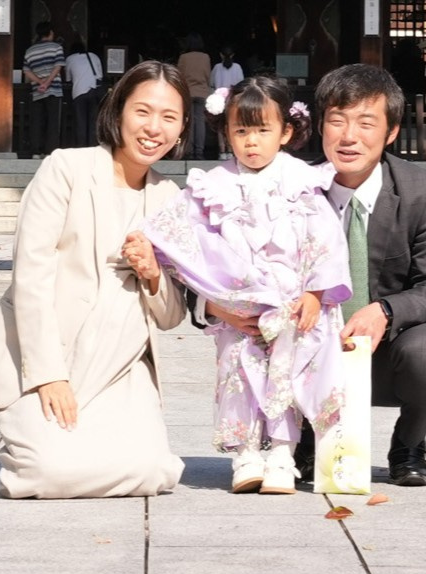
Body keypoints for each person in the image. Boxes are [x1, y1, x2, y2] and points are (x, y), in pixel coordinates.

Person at [203, 63, 426, 488]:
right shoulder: (288, 182)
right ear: (318, 125)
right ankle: (299, 442)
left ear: (391, 132)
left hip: (385, 347)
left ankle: (409, 442)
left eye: (366, 123)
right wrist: (213, 304)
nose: (349, 136)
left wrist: (384, 311)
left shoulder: (424, 192)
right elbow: (209, 254)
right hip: (299, 342)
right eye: (337, 120)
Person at [0, 61, 191, 498]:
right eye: (142, 111)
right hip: (49, 356)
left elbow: (173, 315)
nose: (153, 128)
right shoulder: (67, 168)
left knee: (153, 470)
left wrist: (153, 274)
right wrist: (48, 375)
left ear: (181, 129)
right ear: (117, 110)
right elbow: (31, 276)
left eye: (169, 117)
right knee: (47, 472)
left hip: (122, 367)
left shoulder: (170, 199)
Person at [128, 75, 350, 495]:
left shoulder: (303, 179)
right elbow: (180, 238)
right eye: (241, 130)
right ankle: (246, 451)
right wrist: (207, 295)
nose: (251, 142)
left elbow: (326, 239)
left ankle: (283, 453)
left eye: (263, 130)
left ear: (286, 130)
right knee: (239, 369)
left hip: (291, 299)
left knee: (290, 369)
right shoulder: (211, 185)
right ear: (225, 131)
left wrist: (316, 293)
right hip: (238, 302)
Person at [22, 21, 65, 158]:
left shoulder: (30, 51)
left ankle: (36, 151)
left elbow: (26, 71)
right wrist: (47, 83)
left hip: (37, 90)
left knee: (37, 121)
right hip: (54, 89)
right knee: (53, 121)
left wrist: (40, 82)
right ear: (50, 32)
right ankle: (50, 152)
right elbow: (58, 66)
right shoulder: (57, 47)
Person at [175, 33, 213, 159]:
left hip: (188, 92)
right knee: (200, 122)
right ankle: (199, 151)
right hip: (202, 92)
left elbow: (179, 76)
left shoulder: (183, 57)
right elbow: (208, 76)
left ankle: (189, 151)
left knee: (189, 122)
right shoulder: (206, 57)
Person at [64, 39, 104, 147]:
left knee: (80, 122)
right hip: (95, 91)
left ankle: (81, 148)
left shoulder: (70, 59)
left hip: (79, 92)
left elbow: (68, 79)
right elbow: (100, 76)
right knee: (93, 122)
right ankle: (92, 146)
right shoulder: (94, 56)